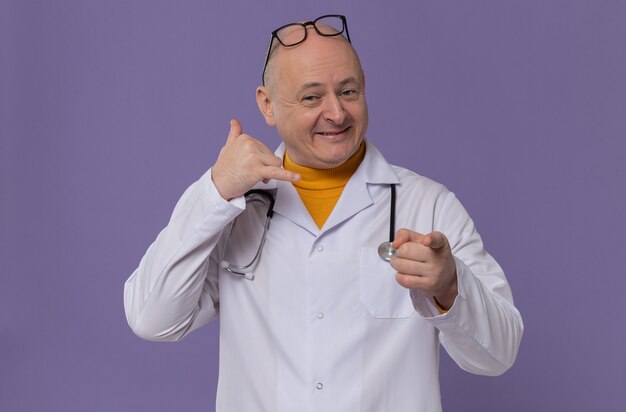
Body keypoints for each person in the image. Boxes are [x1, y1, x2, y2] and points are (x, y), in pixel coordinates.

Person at [124, 14, 523, 412]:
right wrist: (213, 190)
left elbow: (498, 355)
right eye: (312, 97)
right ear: (268, 105)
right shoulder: (233, 208)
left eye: (348, 91)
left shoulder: (429, 205)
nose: (336, 113)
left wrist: (450, 287)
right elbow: (152, 318)